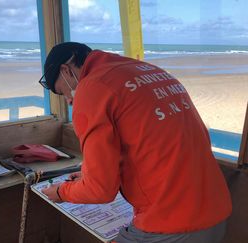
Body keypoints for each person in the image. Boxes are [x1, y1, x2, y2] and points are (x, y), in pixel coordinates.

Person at [40, 42, 232, 243]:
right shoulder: (150, 71)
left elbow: (99, 191)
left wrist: (61, 192)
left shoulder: (92, 87)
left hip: (170, 223)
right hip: (217, 211)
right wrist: (90, 173)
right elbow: (154, 145)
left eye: (63, 93)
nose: (69, 101)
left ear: (66, 70)